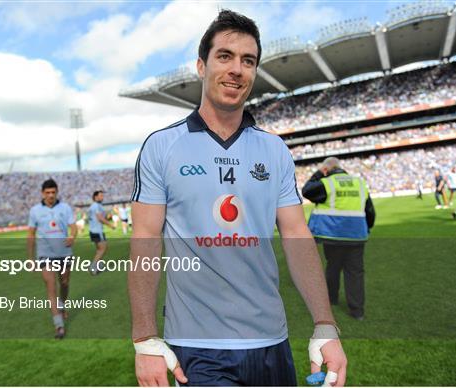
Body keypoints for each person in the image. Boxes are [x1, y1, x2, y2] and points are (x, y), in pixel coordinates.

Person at [128, 10, 347, 387]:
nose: (237, 70)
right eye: (225, 56)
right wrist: (145, 337)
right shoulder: (162, 146)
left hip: (271, 342)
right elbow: (146, 241)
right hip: (196, 349)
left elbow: (296, 235)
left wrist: (325, 323)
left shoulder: (274, 150)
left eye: (248, 61)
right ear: (201, 65)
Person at [303, 157, 375, 321]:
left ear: (326, 170)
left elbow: (306, 190)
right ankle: (357, 312)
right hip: (357, 235)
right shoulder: (359, 183)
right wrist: (367, 228)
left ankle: (332, 299)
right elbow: (370, 210)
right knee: (355, 272)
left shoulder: (328, 183)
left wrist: (319, 174)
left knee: (333, 268)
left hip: (333, 235)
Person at [26, 179, 76, 339]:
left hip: (64, 252)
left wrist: (72, 236)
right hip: (45, 254)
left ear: (57, 192)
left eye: (53, 192)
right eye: (47, 192)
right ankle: (59, 326)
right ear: (42, 193)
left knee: (64, 283)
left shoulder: (65, 208)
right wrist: (30, 258)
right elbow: (31, 234)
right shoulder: (34, 211)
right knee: (51, 287)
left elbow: (73, 227)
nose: (50, 195)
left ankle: (63, 304)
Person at [88, 190, 114, 275]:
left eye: (103, 196)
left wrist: (107, 217)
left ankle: (100, 266)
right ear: (95, 197)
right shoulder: (96, 206)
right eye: (101, 196)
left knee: (99, 249)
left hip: (93, 230)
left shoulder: (95, 206)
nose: (102, 197)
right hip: (97, 231)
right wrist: (110, 225)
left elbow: (100, 217)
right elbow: (100, 218)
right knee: (103, 248)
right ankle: (93, 267)